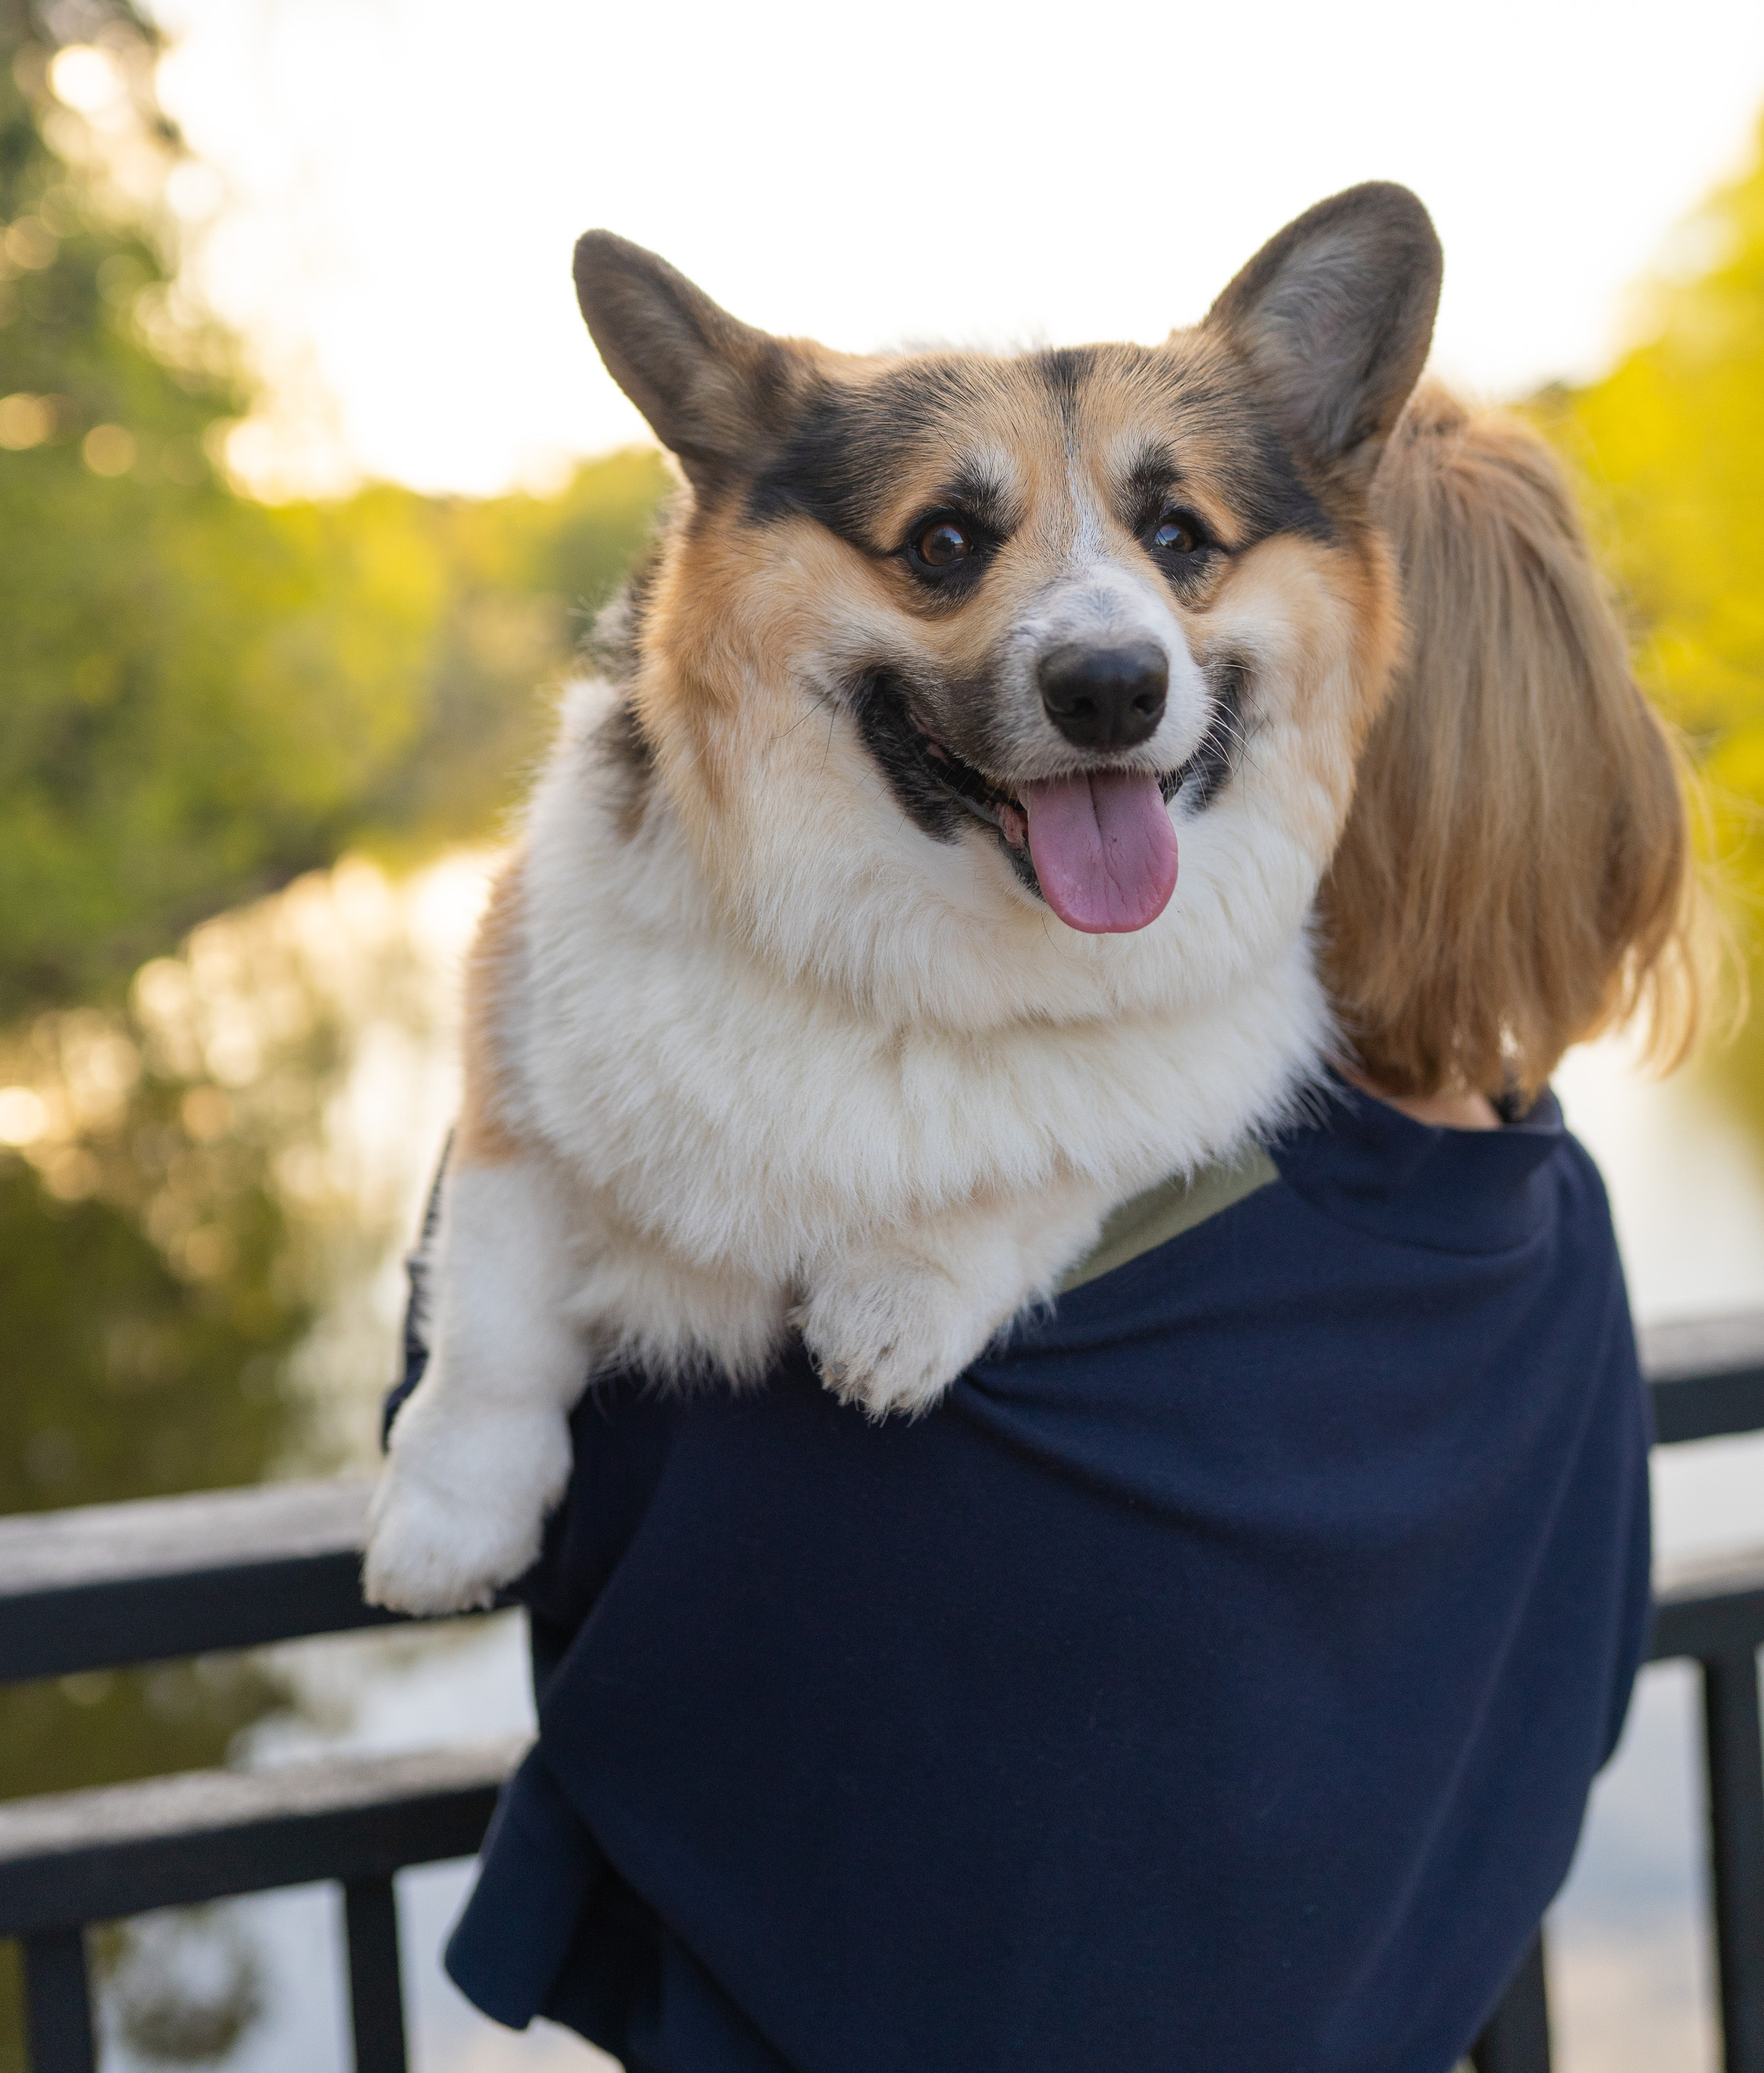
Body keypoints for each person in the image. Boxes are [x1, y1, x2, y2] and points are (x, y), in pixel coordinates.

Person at [386, 384, 1703, 2073]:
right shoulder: (1554, 1223)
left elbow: (523, 1508)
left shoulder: (1010, 1311)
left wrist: (558, 1035)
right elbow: (1560, 1723)